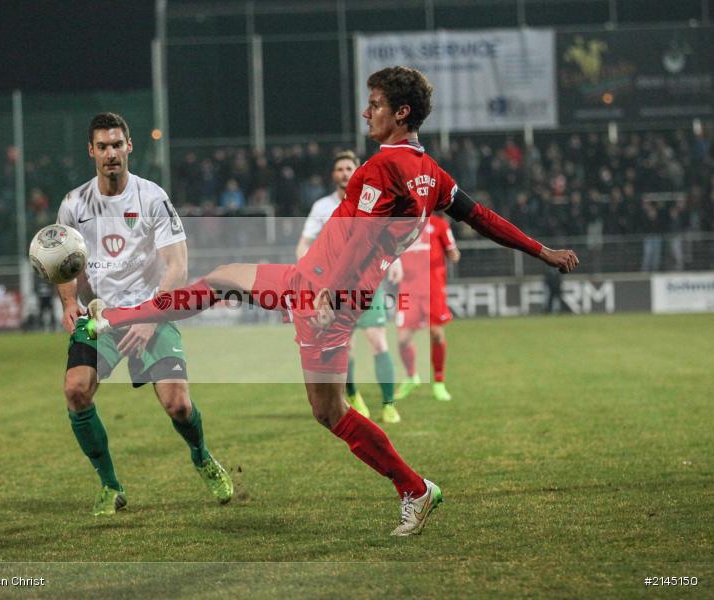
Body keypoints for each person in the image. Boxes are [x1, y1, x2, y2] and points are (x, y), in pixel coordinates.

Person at [89, 67, 578, 536]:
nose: (368, 114)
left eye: (376, 106)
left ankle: (414, 488)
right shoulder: (430, 172)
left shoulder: (383, 167)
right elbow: (483, 217)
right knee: (223, 282)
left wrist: (325, 293)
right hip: (323, 284)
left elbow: (360, 240)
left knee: (329, 409)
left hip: (326, 293)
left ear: (402, 113)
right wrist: (541, 250)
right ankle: (113, 318)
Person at [56, 113, 234, 516]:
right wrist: (69, 301)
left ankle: (202, 456)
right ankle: (110, 485)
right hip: (102, 317)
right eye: (102, 146)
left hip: (152, 310)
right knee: (75, 390)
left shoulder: (152, 197)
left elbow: (177, 267)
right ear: (91, 151)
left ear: (129, 147)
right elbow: (64, 264)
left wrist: (149, 317)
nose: (111, 154)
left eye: (117, 145)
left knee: (179, 406)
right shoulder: (73, 204)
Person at [296, 150, 398, 423]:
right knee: (345, 347)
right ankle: (354, 397)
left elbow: (389, 238)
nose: (344, 173)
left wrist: (395, 261)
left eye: (348, 168)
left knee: (378, 340)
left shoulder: (372, 203)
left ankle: (389, 404)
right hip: (334, 289)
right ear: (334, 175)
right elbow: (304, 243)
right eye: (339, 169)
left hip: (367, 284)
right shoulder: (321, 207)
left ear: (357, 172)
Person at [391, 214, 459, 402]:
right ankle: (412, 376)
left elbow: (453, 252)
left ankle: (439, 381)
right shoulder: (399, 227)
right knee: (403, 339)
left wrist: (452, 253)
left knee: (436, 333)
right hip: (407, 289)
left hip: (433, 288)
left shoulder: (439, 225)